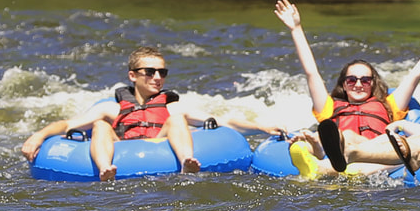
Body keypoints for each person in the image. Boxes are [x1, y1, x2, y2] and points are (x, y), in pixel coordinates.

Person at [21, 46, 281, 181]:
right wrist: (39, 136)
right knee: (100, 125)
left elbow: (222, 120)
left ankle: (187, 163)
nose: (157, 78)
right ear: (133, 76)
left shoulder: (171, 106)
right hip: (122, 146)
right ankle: (105, 169)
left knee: (178, 118)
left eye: (162, 73)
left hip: (163, 139)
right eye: (150, 72)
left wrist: (261, 127)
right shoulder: (111, 108)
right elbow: (67, 124)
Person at [273, 0, 420, 177]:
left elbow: (416, 73)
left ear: (374, 84)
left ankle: (322, 165)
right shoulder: (329, 107)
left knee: (348, 136)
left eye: (365, 80)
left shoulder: (390, 104)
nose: (358, 84)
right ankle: (311, 148)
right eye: (352, 80)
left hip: (373, 148)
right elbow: (311, 73)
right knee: (314, 137)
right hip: (334, 147)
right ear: (344, 85)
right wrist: (296, 28)